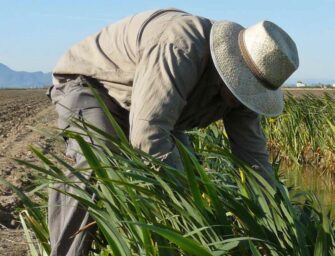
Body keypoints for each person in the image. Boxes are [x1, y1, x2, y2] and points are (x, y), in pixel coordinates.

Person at [47, 8, 299, 256]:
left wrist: (279, 219)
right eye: (244, 87)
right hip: (93, 85)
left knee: (191, 173)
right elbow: (149, 133)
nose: (245, 96)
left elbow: (254, 160)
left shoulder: (249, 89)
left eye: (251, 92)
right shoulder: (180, 47)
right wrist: (188, 202)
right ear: (231, 67)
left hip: (149, 105)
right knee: (101, 160)